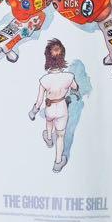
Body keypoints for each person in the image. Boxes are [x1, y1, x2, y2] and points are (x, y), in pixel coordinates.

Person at [29, 38, 79, 172]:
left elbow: (39, 101)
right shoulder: (69, 76)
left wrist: (33, 112)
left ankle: (49, 138)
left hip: (49, 108)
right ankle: (58, 163)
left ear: (47, 58)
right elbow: (75, 88)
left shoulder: (44, 80)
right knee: (61, 136)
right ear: (63, 57)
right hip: (62, 108)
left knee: (49, 121)